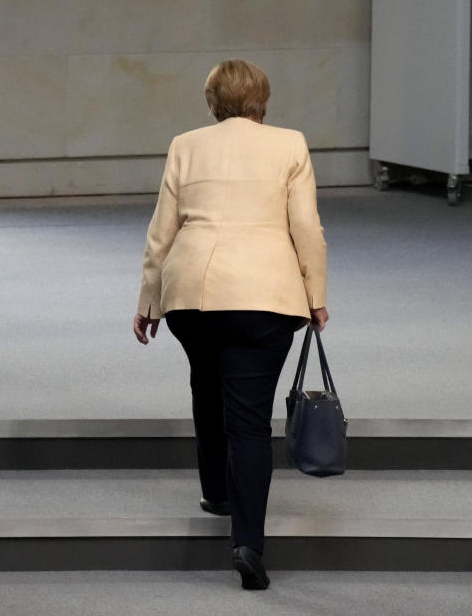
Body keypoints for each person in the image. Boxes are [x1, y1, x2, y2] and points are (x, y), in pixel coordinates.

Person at [132, 59, 328, 590]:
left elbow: (161, 232)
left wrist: (148, 300)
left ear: (212, 103)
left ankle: (216, 492)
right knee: (249, 420)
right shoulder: (289, 144)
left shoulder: (185, 144)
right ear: (262, 102)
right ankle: (247, 543)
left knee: (205, 382)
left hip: (191, 293)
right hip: (264, 296)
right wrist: (316, 295)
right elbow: (305, 227)